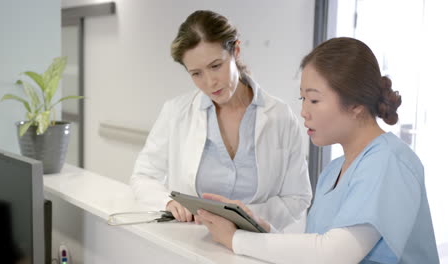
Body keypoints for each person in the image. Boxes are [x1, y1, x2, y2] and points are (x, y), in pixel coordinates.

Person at [196, 37, 440, 263]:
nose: (304, 111)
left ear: (355, 103)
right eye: (302, 99)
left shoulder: (389, 162)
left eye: (313, 100)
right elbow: (316, 247)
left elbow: (334, 254)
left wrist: (235, 239)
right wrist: (260, 228)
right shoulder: (334, 171)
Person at [130, 10, 312, 230]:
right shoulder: (176, 112)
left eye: (216, 66)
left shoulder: (280, 116)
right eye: (196, 73)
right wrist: (168, 202)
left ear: (235, 50)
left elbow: (297, 197)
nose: (209, 82)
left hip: (257, 247)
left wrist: (247, 216)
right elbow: (143, 176)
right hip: (191, 245)